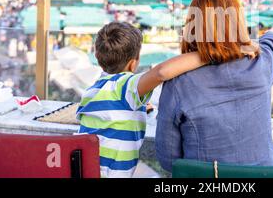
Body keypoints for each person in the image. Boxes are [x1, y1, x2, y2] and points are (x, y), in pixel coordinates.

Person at [156, 0, 273, 172]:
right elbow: (270, 44)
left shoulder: (178, 84)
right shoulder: (261, 65)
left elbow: (169, 161)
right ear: (239, 22)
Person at [76, 22, 207, 178]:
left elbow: (109, 115)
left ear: (97, 56)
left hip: (85, 170)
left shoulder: (92, 91)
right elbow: (161, 73)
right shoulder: (125, 87)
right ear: (133, 63)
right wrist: (209, 54)